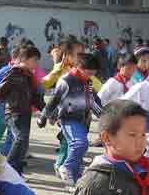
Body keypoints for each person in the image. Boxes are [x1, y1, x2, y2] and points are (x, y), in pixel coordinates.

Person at [39, 53, 103, 187]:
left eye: (93, 74)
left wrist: (104, 117)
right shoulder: (66, 81)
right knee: (79, 143)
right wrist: (44, 116)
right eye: (89, 73)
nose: (90, 76)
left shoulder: (88, 82)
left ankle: (73, 181)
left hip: (83, 120)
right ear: (80, 67)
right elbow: (54, 100)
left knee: (79, 147)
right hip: (68, 118)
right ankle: (66, 167)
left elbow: (92, 100)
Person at [0, 45, 45, 174]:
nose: (36, 64)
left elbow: (35, 98)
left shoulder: (29, 76)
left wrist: (46, 111)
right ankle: (6, 169)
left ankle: (16, 173)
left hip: (25, 113)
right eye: (34, 60)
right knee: (20, 138)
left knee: (23, 144)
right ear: (24, 59)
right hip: (13, 112)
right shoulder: (13, 73)